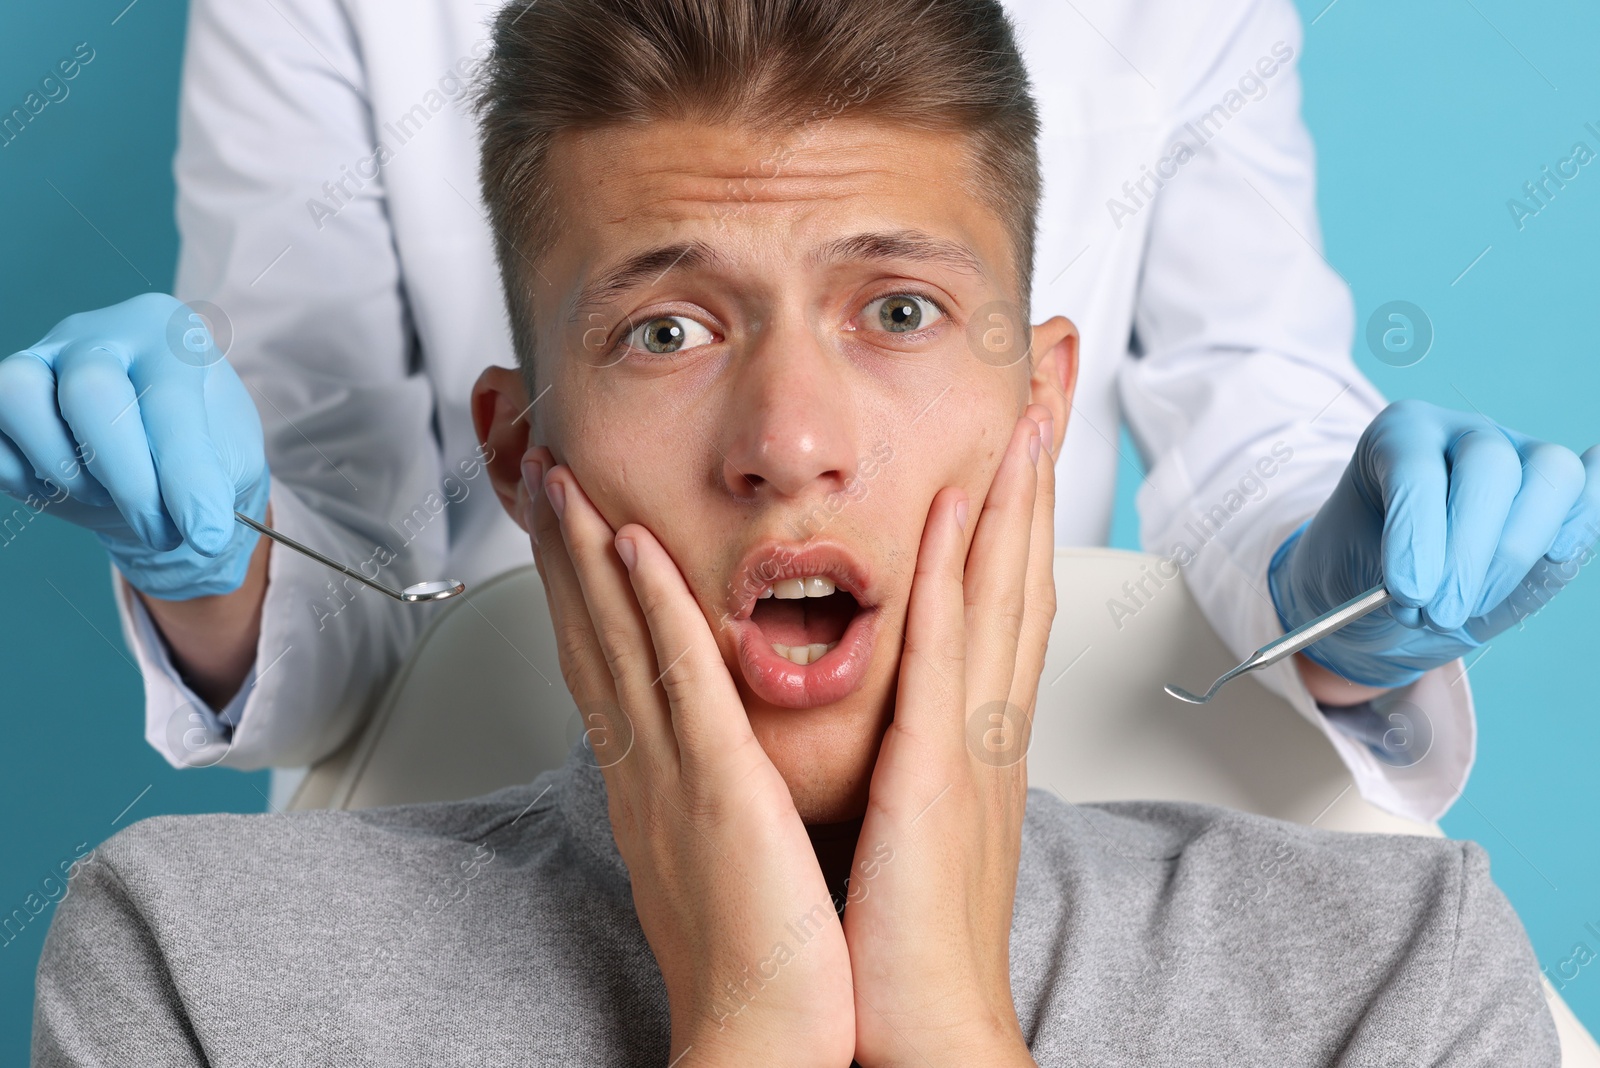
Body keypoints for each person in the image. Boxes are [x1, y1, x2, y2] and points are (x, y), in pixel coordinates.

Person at [30, 2, 1562, 1063]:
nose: (790, 444)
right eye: (666, 332)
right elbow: (332, 494)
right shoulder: (207, 976)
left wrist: (1344, 603)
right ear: (519, 445)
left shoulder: (1392, 979)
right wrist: (220, 570)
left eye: (899, 311)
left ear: (1040, 405)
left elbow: (1253, 396)